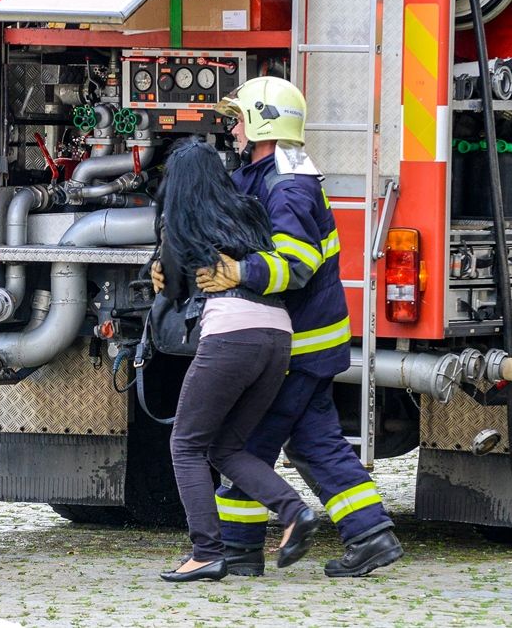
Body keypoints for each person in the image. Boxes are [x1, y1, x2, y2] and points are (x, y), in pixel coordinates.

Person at [199, 76, 403, 577]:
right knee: (314, 441)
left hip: (298, 347)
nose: (232, 131)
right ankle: (370, 534)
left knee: (247, 445)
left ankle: (238, 550)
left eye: (238, 119)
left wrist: (239, 273)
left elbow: (297, 263)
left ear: (260, 121)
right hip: (305, 343)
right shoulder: (267, 173)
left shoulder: (288, 186)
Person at [155, 138, 320, 583]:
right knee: (226, 447)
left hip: (230, 333)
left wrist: (160, 273)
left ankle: (207, 552)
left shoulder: (182, 217)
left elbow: (171, 289)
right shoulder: (248, 209)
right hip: (277, 334)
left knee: (185, 444)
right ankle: (294, 512)